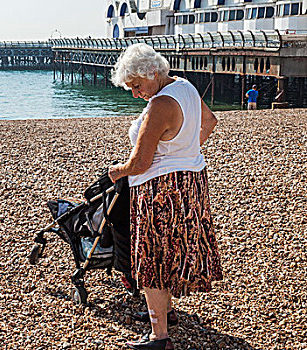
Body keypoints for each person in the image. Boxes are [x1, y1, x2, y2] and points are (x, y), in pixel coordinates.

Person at [108, 43, 223, 349]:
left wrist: (117, 171)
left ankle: (160, 338)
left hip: (160, 191)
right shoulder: (185, 86)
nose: (135, 94)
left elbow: (140, 163)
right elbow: (209, 122)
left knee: (152, 258)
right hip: (192, 183)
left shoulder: (159, 106)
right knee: (170, 251)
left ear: (153, 73)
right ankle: (167, 312)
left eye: (136, 85)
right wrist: (185, 152)